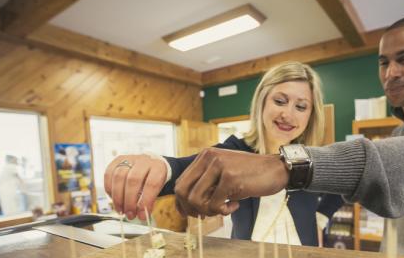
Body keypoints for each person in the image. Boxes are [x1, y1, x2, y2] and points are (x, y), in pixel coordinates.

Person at [172, 15, 404, 258]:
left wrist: (288, 168)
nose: (391, 73)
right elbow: (189, 166)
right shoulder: (398, 134)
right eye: (383, 63)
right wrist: (159, 166)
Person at [104, 61, 343, 247]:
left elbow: (347, 183)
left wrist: (320, 218)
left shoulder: (312, 157)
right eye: (280, 101)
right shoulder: (236, 151)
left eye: (301, 106)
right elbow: (188, 168)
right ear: (262, 103)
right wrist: (160, 166)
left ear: (311, 115)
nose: (288, 115)